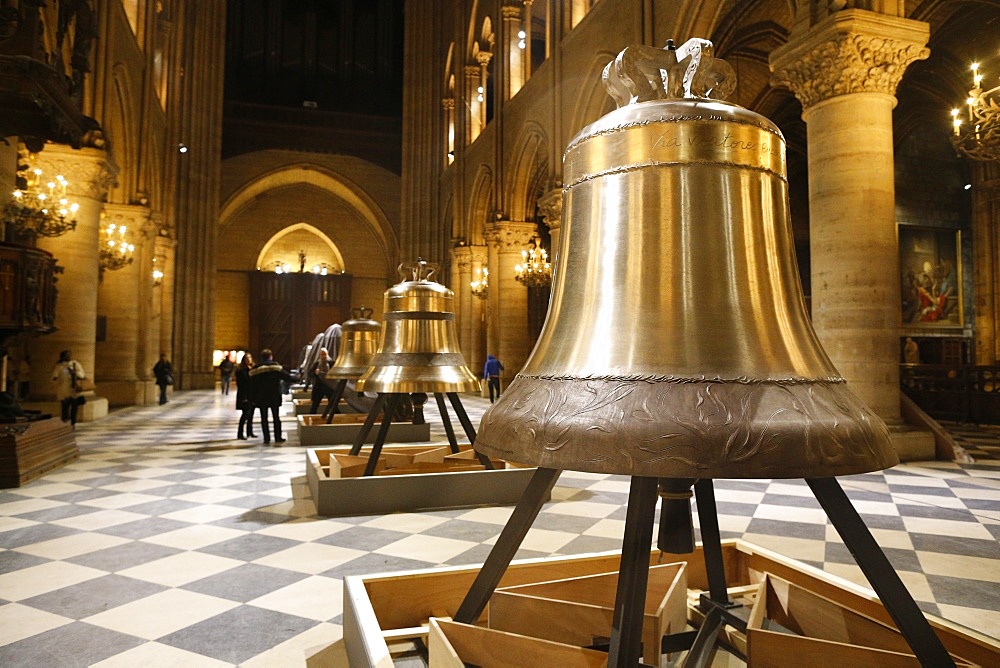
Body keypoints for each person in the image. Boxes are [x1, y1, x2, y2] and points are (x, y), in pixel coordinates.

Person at [249, 348, 295, 445]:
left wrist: (252, 398)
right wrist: (300, 377)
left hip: (261, 396)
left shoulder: (256, 369)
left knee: (264, 418)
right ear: (271, 356)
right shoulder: (276, 367)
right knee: (276, 417)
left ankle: (266, 438)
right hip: (274, 395)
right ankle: (278, 437)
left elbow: (251, 385)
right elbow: (288, 378)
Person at [51, 350, 86, 425]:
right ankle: (65, 423)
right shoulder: (59, 366)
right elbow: (55, 376)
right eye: (66, 355)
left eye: (69, 355)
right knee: (65, 407)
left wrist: (75, 373)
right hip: (64, 390)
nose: (68, 356)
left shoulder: (75, 364)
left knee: (74, 407)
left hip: (74, 390)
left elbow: (82, 374)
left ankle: (73, 423)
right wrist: (56, 379)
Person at [235, 353, 257, 440]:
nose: (249, 360)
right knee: (245, 414)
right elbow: (241, 384)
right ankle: (240, 433)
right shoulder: (241, 370)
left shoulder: (254, 369)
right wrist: (244, 397)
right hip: (244, 394)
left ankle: (250, 432)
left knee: (251, 414)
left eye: (250, 358)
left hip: (252, 394)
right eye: (247, 358)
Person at [308, 347, 334, 414]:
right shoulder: (317, 363)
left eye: (324, 354)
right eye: (322, 354)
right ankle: (311, 416)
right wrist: (315, 373)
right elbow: (310, 373)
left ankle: (337, 417)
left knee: (333, 404)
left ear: (327, 354)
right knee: (315, 404)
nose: (323, 356)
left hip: (329, 386)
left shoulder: (331, 363)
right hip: (319, 386)